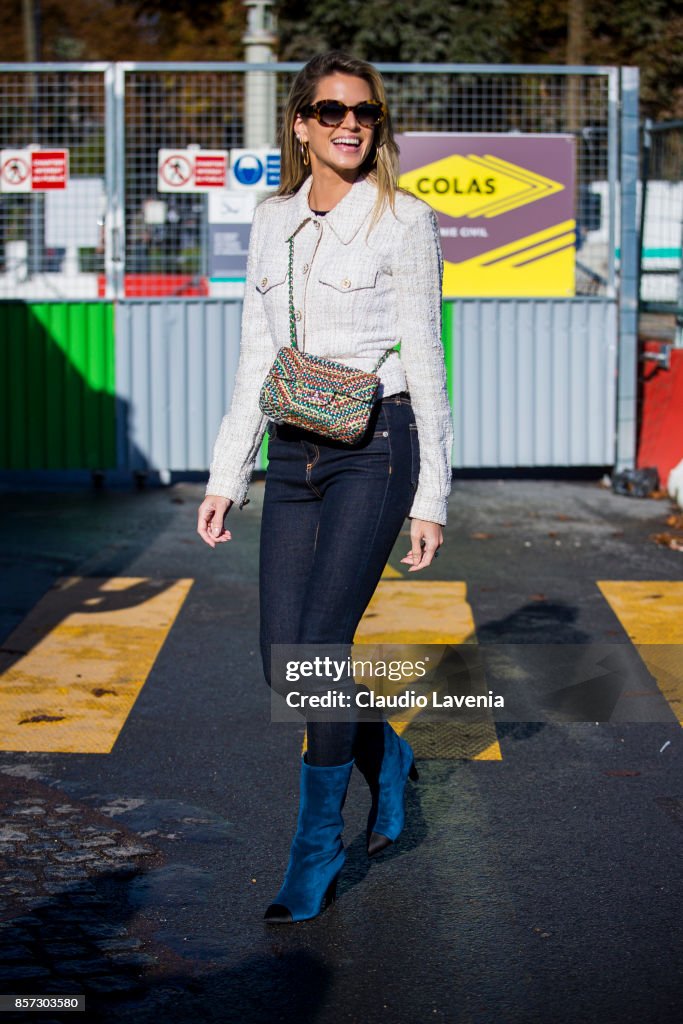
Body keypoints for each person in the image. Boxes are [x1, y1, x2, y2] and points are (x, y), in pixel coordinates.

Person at [197, 51, 453, 924]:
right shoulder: (272, 221)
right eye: (334, 110)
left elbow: (425, 358)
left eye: (367, 114)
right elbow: (253, 357)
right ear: (301, 122)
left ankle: (314, 854)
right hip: (293, 453)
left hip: (377, 447)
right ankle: (389, 756)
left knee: (316, 648)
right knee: (287, 664)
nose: (352, 124)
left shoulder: (403, 221)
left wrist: (432, 497)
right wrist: (226, 474)